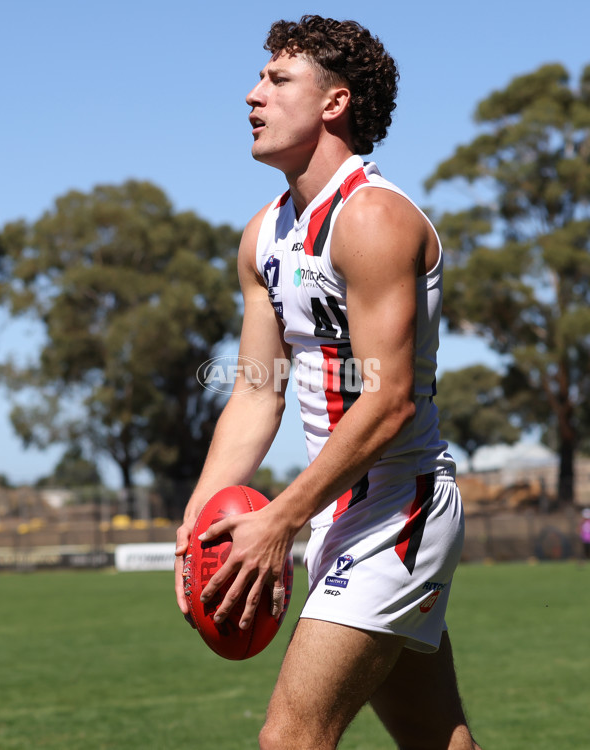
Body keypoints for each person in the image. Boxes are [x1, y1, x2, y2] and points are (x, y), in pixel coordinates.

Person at [176, 15, 482, 750]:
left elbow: (389, 399)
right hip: (342, 517)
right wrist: (196, 522)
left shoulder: (374, 218)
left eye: (277, 80)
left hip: (399, 510)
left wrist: (281, 519)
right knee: (437, 739)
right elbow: (256, 391)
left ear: (334, 103)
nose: (252, 96)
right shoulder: (263, 237)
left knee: (291, 737)